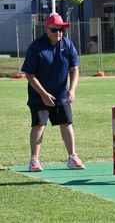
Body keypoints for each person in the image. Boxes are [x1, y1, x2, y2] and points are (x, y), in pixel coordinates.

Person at [22, 13, 85, 172]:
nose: (58, 33)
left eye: (61, 29)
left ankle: (72, 157)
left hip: (61, 94)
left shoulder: (67, 44)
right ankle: (34, 160)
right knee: (39, 125)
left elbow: (74, 69)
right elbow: (29, 74)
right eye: (54, 29)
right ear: (46, 29)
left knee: (66, 123)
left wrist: (72, 89)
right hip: (39, 95)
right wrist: (43, 94)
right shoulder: (36, 47)